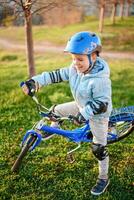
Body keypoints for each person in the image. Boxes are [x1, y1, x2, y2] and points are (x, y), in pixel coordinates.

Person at [22, 31, 112, 196]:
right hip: (80, 105)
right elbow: (55, 75)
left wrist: (84, 114)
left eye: (80, 59)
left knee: (99, 147)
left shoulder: (100, 80)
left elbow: (102, 103)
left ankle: (104, 177)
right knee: (56, 110)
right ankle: (53, 126)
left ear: (94, 56)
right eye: (73, 58)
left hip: (98, 114)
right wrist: (35, 81)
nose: (75, 63)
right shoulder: (74, 69)